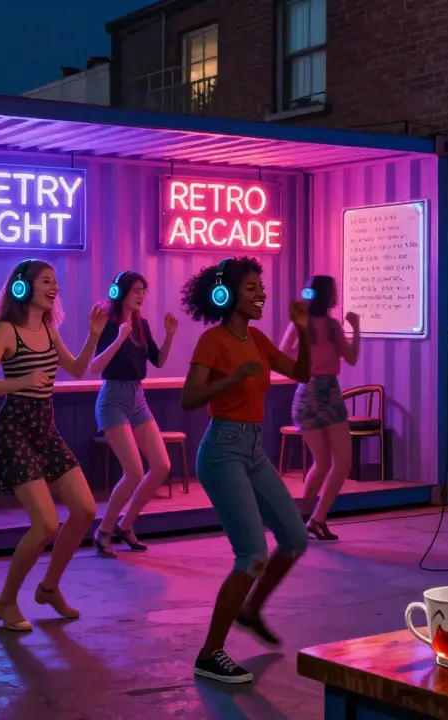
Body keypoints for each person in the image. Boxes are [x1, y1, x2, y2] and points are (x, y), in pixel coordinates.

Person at [180, 257, 312, 684]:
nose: (262, 294)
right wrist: (232, 379)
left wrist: (305, 330)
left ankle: (251, 608)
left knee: (294, 538)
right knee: (252, 554)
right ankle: (209, 653)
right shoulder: (212, 341)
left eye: (262, 286)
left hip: (254, 449)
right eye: (252, 287)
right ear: (227, 294)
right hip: (222, 451)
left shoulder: (256, 339)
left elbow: (301, 372)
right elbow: (189, 398)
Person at [0, 259, 107, 632]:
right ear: (23, 287)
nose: (54, 288)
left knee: (84, 510)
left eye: (55, 282)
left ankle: (48, 588)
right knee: (46, 524)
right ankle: (6, 601)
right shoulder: (6, 331)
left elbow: (78, 369)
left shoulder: (48, 329)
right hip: (15, 429)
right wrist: (22, 380)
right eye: (46, 281)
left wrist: (94, 334)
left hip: (45, 428)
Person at [89, 270, 179, 556]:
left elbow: (159, 361)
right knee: (133, 471)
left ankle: (125, 525)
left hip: (138, 397)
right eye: (137, 290)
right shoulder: (108, 323)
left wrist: (170, 336)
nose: (142, 295)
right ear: (121, 292)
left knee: (162, 465)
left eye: (144, 290)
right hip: (112, 398)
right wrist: (118, 339)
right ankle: (103, 530)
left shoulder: (142, 325)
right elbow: (94, 367)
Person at [278, 275, 360, 540]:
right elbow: (351, 358)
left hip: (306, 392)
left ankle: (303, 519)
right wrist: (355, 328)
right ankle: (317, 518)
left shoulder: (301, 323)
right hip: (326, 391)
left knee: (323, 462)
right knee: (341, 461)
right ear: (327, 295)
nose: (336, 295)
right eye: (334, 291)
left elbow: (282, 353)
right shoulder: (333, 326)